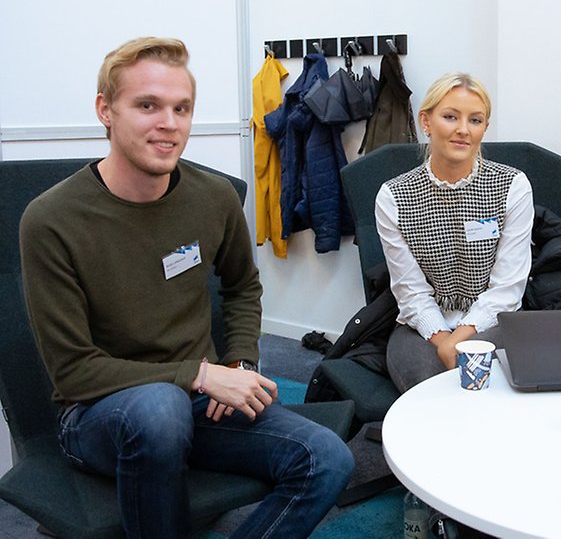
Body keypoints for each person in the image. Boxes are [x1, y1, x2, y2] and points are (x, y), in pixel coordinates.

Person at [19, 37, 353, 539]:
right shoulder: (50, 220)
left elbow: (242, 285)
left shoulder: (213, 196)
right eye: (147, 105)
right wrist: (199, 375)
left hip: (196, 402)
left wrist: (238, 362)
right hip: (97, 413)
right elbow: (74, 370)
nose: (169, 123)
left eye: (182, 108)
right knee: (159, 408)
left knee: (327, 458)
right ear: (104, 110)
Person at [375, 72, 534, 392]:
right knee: (430, 386)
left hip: (493, 320)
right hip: (422, 326)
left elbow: (507, 289)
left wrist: (459, 340)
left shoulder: (512, 186)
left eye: (475, 120)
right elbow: (411, 293)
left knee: (485, 381)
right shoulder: (393, 197)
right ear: (426, 121)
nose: (463, 129)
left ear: (484, 128)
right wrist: (443, 339)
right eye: (450, 117)